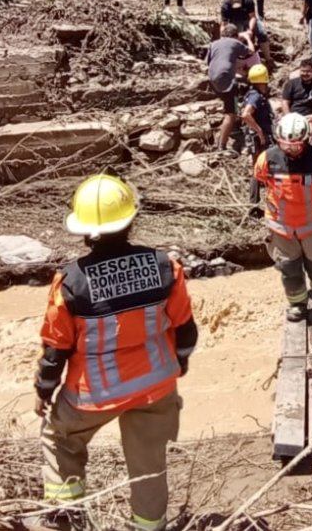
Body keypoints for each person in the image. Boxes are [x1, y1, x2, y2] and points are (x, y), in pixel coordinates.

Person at [35, 174, 198, 531]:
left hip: (93, 394)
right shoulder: (164, 267)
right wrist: (179, 363)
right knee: (149, 465)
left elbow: (55, 349)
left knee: (58, 437)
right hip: (155, 386)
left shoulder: (71, 282)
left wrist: (44, 392)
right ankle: (148, 527)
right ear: (131, 220)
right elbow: (185, 329)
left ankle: (66, 518)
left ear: (84, 230)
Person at [253, 113, 312, 322]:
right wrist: (254, 202)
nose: (291, 149)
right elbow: (257, 178)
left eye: (296, 145)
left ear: (305, 140)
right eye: (286, 145)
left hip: (311, 225)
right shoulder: (267, 159)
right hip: (281, 226)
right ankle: (298, 304)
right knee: (289, 269)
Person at [206, 24, 252, 153]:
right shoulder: (235, 42)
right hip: (226, 80)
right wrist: (247, 38)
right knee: (230, 114)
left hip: (213, 79)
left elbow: (210, 62)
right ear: (235, 36)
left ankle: (234, 116)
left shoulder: (214, 43)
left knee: (231, 98)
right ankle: (222, 146)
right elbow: (251, 51)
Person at [242, 64, 275, 205]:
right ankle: (259, 202)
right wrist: (259, 131)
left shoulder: (253, 94)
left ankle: (254, 203)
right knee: (264, 168)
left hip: (258, 137)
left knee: (259, 168)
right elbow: (245, 114)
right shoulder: (255, 96)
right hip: (260, 138)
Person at [221, 0, 271, 66]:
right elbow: (224, 24)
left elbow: (253, 17)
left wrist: (250, 29)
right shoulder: (225, 6)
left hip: (249, 18)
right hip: (235, 20)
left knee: (262, 33)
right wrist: (222, 38)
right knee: (238, 39)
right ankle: (239, 62)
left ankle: (268, 59)